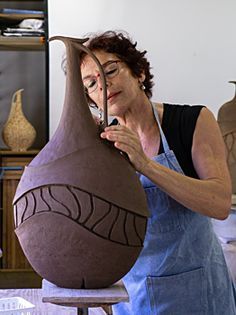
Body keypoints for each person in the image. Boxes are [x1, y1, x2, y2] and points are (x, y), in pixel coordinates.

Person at [80, 30, 236, 315]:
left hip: (197, 293)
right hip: (132, 294)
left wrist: (146, 164)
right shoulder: (104, 143)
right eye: (91, 83)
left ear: (138, 72)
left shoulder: (192, 121)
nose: (103, 85)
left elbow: (220, 203)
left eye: (111, 70)